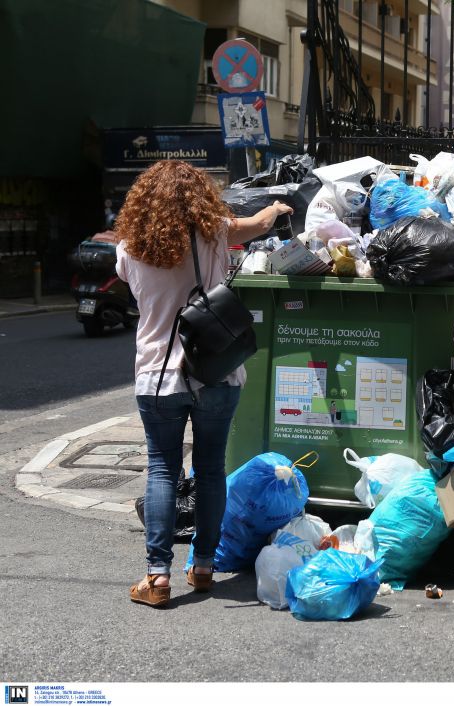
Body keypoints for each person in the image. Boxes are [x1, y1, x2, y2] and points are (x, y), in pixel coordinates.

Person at [114, 160, 292, 607]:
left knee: (162, 468)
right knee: (211, 468)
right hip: (217, 372)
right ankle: (205, 566)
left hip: (158, 375)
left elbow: (132, 285)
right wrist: (275, 208)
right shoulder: (214, 234)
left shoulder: (130, 247)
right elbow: (257, 224)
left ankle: (157, 577)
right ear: (200, 197)